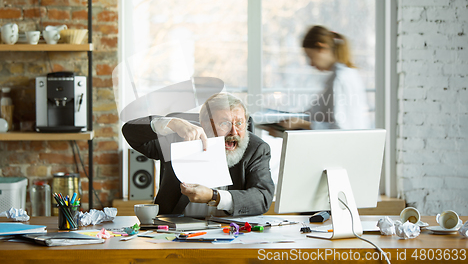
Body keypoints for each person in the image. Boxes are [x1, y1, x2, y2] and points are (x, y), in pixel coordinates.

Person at [122, 92, 275, 217]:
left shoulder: (256, 149)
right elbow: (130, 132)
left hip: (233, 232)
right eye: (224, 123)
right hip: (175, 231)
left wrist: (214, 197)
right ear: (204, 124)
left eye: (240, 123)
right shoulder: (176, 137)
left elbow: (262, 197)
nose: (234, 132)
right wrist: (171, 123)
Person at [280, 25, 370, 130]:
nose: (311, 64)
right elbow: (318, 114)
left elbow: (339, 128)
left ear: (321, 48)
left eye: (310, 56)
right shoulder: (338, 76)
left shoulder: (341, 78)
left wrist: (301, 124)